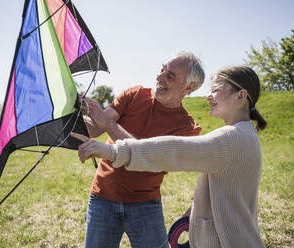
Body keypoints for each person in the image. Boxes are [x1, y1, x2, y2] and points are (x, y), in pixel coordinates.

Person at [72, 66, 267, 248]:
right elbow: (228, 189)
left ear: (241, 96)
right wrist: (193, 213)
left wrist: (110, 151)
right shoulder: (244, 135)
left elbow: (170, 151)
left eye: (216, 90)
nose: (208, 96)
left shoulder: (230, 138)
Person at [80, 51, 205, 248]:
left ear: (189, 87)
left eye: (169, 76)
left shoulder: (187, 129)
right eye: (162, 70)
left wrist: (108, 124)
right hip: (102, 196)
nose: (159, 77)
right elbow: (95, 128)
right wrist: (74, 110)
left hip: (145, 205)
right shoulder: (134, 94)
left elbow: (149, 159)